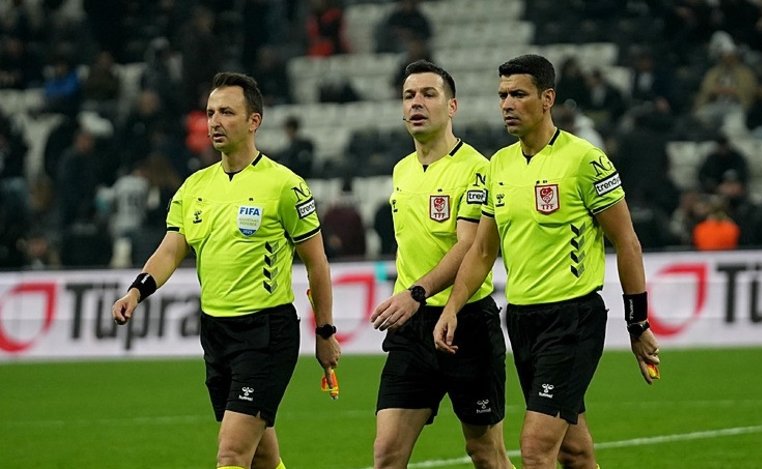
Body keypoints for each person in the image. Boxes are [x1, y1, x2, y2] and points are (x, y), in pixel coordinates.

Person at [434, 54, 661, 469]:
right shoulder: (498, 165)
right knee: (575, 452)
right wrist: (452, 307)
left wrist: (638, 323)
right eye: (502, 95)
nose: (507, 104)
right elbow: (482, 251)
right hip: (522, 320)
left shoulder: (585, 161)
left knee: (536, 449)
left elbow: (627, 242)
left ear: (547, 99)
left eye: (518, 94)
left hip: (572, 320)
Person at [111, 72, 341, 469]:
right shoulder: (194, 187)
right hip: (216, 333)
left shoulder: (285, 186)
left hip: (266, 334)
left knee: (231, 453)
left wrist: (325, 332)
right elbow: (171, 249)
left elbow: (317, 263)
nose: (215, 122)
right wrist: (136, 291)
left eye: (227, 113)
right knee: (263, 456)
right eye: (210, 113)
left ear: (254, 121)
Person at [369, 60, 512, 469]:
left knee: (485, 453)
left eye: (428, 94)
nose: (416, 103)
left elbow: (469, 245)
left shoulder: (477, 169)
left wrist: (417, 292)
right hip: (412, 329)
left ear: (452, 107)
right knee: (386, 455)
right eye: (409, 96)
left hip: (465, 323)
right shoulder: (401, 170)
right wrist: (412, 298)